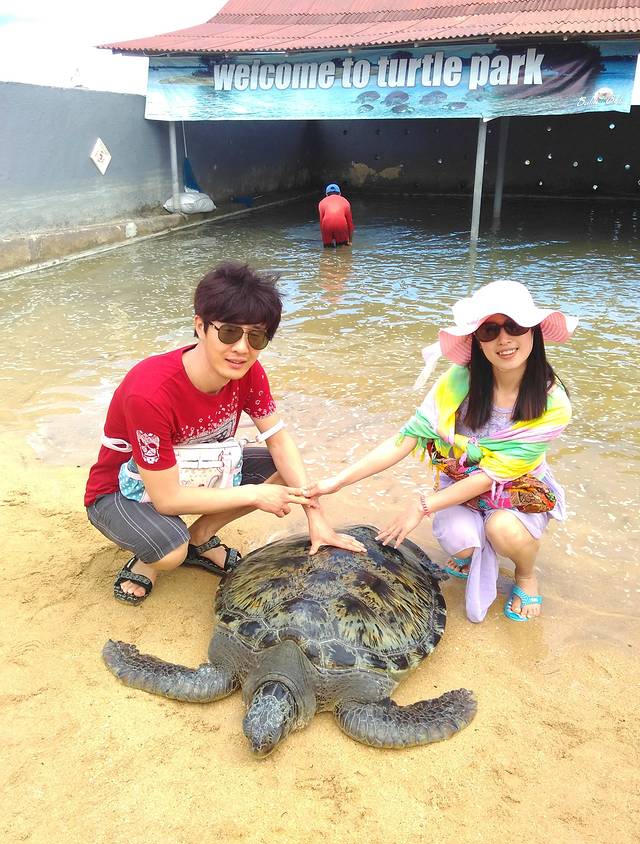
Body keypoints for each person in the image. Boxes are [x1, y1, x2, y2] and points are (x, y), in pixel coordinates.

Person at [85, 262, 364, 605]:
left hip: (191, 469)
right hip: (121, 488)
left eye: (256, 336)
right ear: (200, 326)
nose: (242, 349)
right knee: (170, 551)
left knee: (281, 471)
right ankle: (152, 555)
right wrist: (254, 495)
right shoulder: (150, 392)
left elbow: (279, 441)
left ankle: (200, 537)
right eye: (230, 332)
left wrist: (316, 519)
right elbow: (167, 499)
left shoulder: (248, 372)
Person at [304, 280, 578, 623]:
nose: (504, 339)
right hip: (462, 481)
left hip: (516, 490)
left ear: (533, 331)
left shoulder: (554, 404)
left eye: (515, 326)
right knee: (459, 541)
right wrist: (338, 481)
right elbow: (406, 439)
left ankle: (525, 574)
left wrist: (422, 506)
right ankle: (471, 551)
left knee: (502, 530)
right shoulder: (459, 382)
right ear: (477, 340)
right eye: (490, 330)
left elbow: (491, 476)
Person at [318, 183, 354, 248]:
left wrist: (324, 239)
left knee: (328, 250)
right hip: (341, 224)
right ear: (340, 194)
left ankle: (328, 250)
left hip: (326, 225)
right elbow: (350, 223)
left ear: (326, 195)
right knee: (342, 249)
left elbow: (321, 222)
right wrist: (350, 241)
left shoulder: (322, 202)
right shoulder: (345, 201)